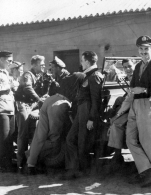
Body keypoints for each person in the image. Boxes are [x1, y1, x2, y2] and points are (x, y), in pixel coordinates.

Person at [26, 72, 85, 175]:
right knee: (55, 138)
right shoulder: (80, 79)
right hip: (60, 104)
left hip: (52, 99)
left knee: (39, 136)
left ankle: (30, 163)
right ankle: (46, 162)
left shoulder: (72, 78)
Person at [126, 36, 151, 187]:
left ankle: (149, 175)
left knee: (146, 142)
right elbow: (132, 85)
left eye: (146, 49)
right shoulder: (137, 66)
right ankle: (146, 170)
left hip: (147, 104)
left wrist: (143, 89)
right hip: (135, 104)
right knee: (130, 140)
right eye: (141, 49)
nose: (143, 52)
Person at [63, 51, 104, 179]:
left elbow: (96, 99)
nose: (81, 63)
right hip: (82, 108)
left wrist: (91, 118)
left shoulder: (94, 75)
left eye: (82, 61)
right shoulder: (89, 75)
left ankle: (80, 171)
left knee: (82, 141)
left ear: (87, 61)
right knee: (71, 138)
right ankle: (73, 168)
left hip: (87, 109)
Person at [14, 55, 46, 170]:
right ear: (34, 65)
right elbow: (28, 88)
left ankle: (30, 158)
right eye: (41, 64)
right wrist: (39, 99)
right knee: (23, 132)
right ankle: (20, 162)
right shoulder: (27, 75)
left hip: (32, 105)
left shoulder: (39, 76)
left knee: (34, 130)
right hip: (23, 104)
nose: (44, 66)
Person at [107, 59, 135, 164]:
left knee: (116, 124)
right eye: (125, 67)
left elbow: (129, 100)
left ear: (134, 66)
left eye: (129, 66)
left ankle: (117, 155)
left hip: (135, 108)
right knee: (119, 100)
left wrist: (116, 116)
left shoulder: (136, 78)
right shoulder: (133, 77)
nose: (128, 69)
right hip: (134, 105)